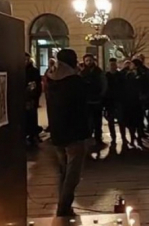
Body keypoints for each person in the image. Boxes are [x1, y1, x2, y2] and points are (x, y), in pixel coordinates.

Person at [45, 49, 89, 217]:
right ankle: (63, 208)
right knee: (73, 174)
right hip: (74, 133)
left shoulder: (50, 79)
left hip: (58, 132)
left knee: (63, 172)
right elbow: (82, 105)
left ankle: (63, 205)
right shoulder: (74, 81)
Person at [79, 54, 106, 146]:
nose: (88, 62)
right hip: (87, 100)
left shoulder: (98, 71)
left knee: (97, 120)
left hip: (97, 100)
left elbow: (103, 83)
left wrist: (101, 95)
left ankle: (98, 137)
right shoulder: (82, 72)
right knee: (88, 121)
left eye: (90, 60)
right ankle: (89, 137)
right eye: (86, 60)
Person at [122, 59, 148, 147]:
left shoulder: (142, 74)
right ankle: (133, 138)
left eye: (132, 64)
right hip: (130, 101)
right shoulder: (128, 74)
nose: (130, 65)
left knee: (138, 122)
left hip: (138, 101)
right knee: (131, 122)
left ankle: (139, 138)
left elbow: (145, 86)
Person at [104, 58, 125, 148]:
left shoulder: (120, 75)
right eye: (111, 65)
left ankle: (123, 137)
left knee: (121, 121)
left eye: (114, 64)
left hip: (119, 101)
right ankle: (114, 138)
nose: (113, 66)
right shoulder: (106, 76)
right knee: (111, 122)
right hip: (110, 102)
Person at [25, 53, 42, 145]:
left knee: (31, 116)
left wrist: (35, 95)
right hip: (24, 96)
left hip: (31, 97)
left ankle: (32, 134)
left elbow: (37, 84)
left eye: (27, 59)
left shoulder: (34, 71)